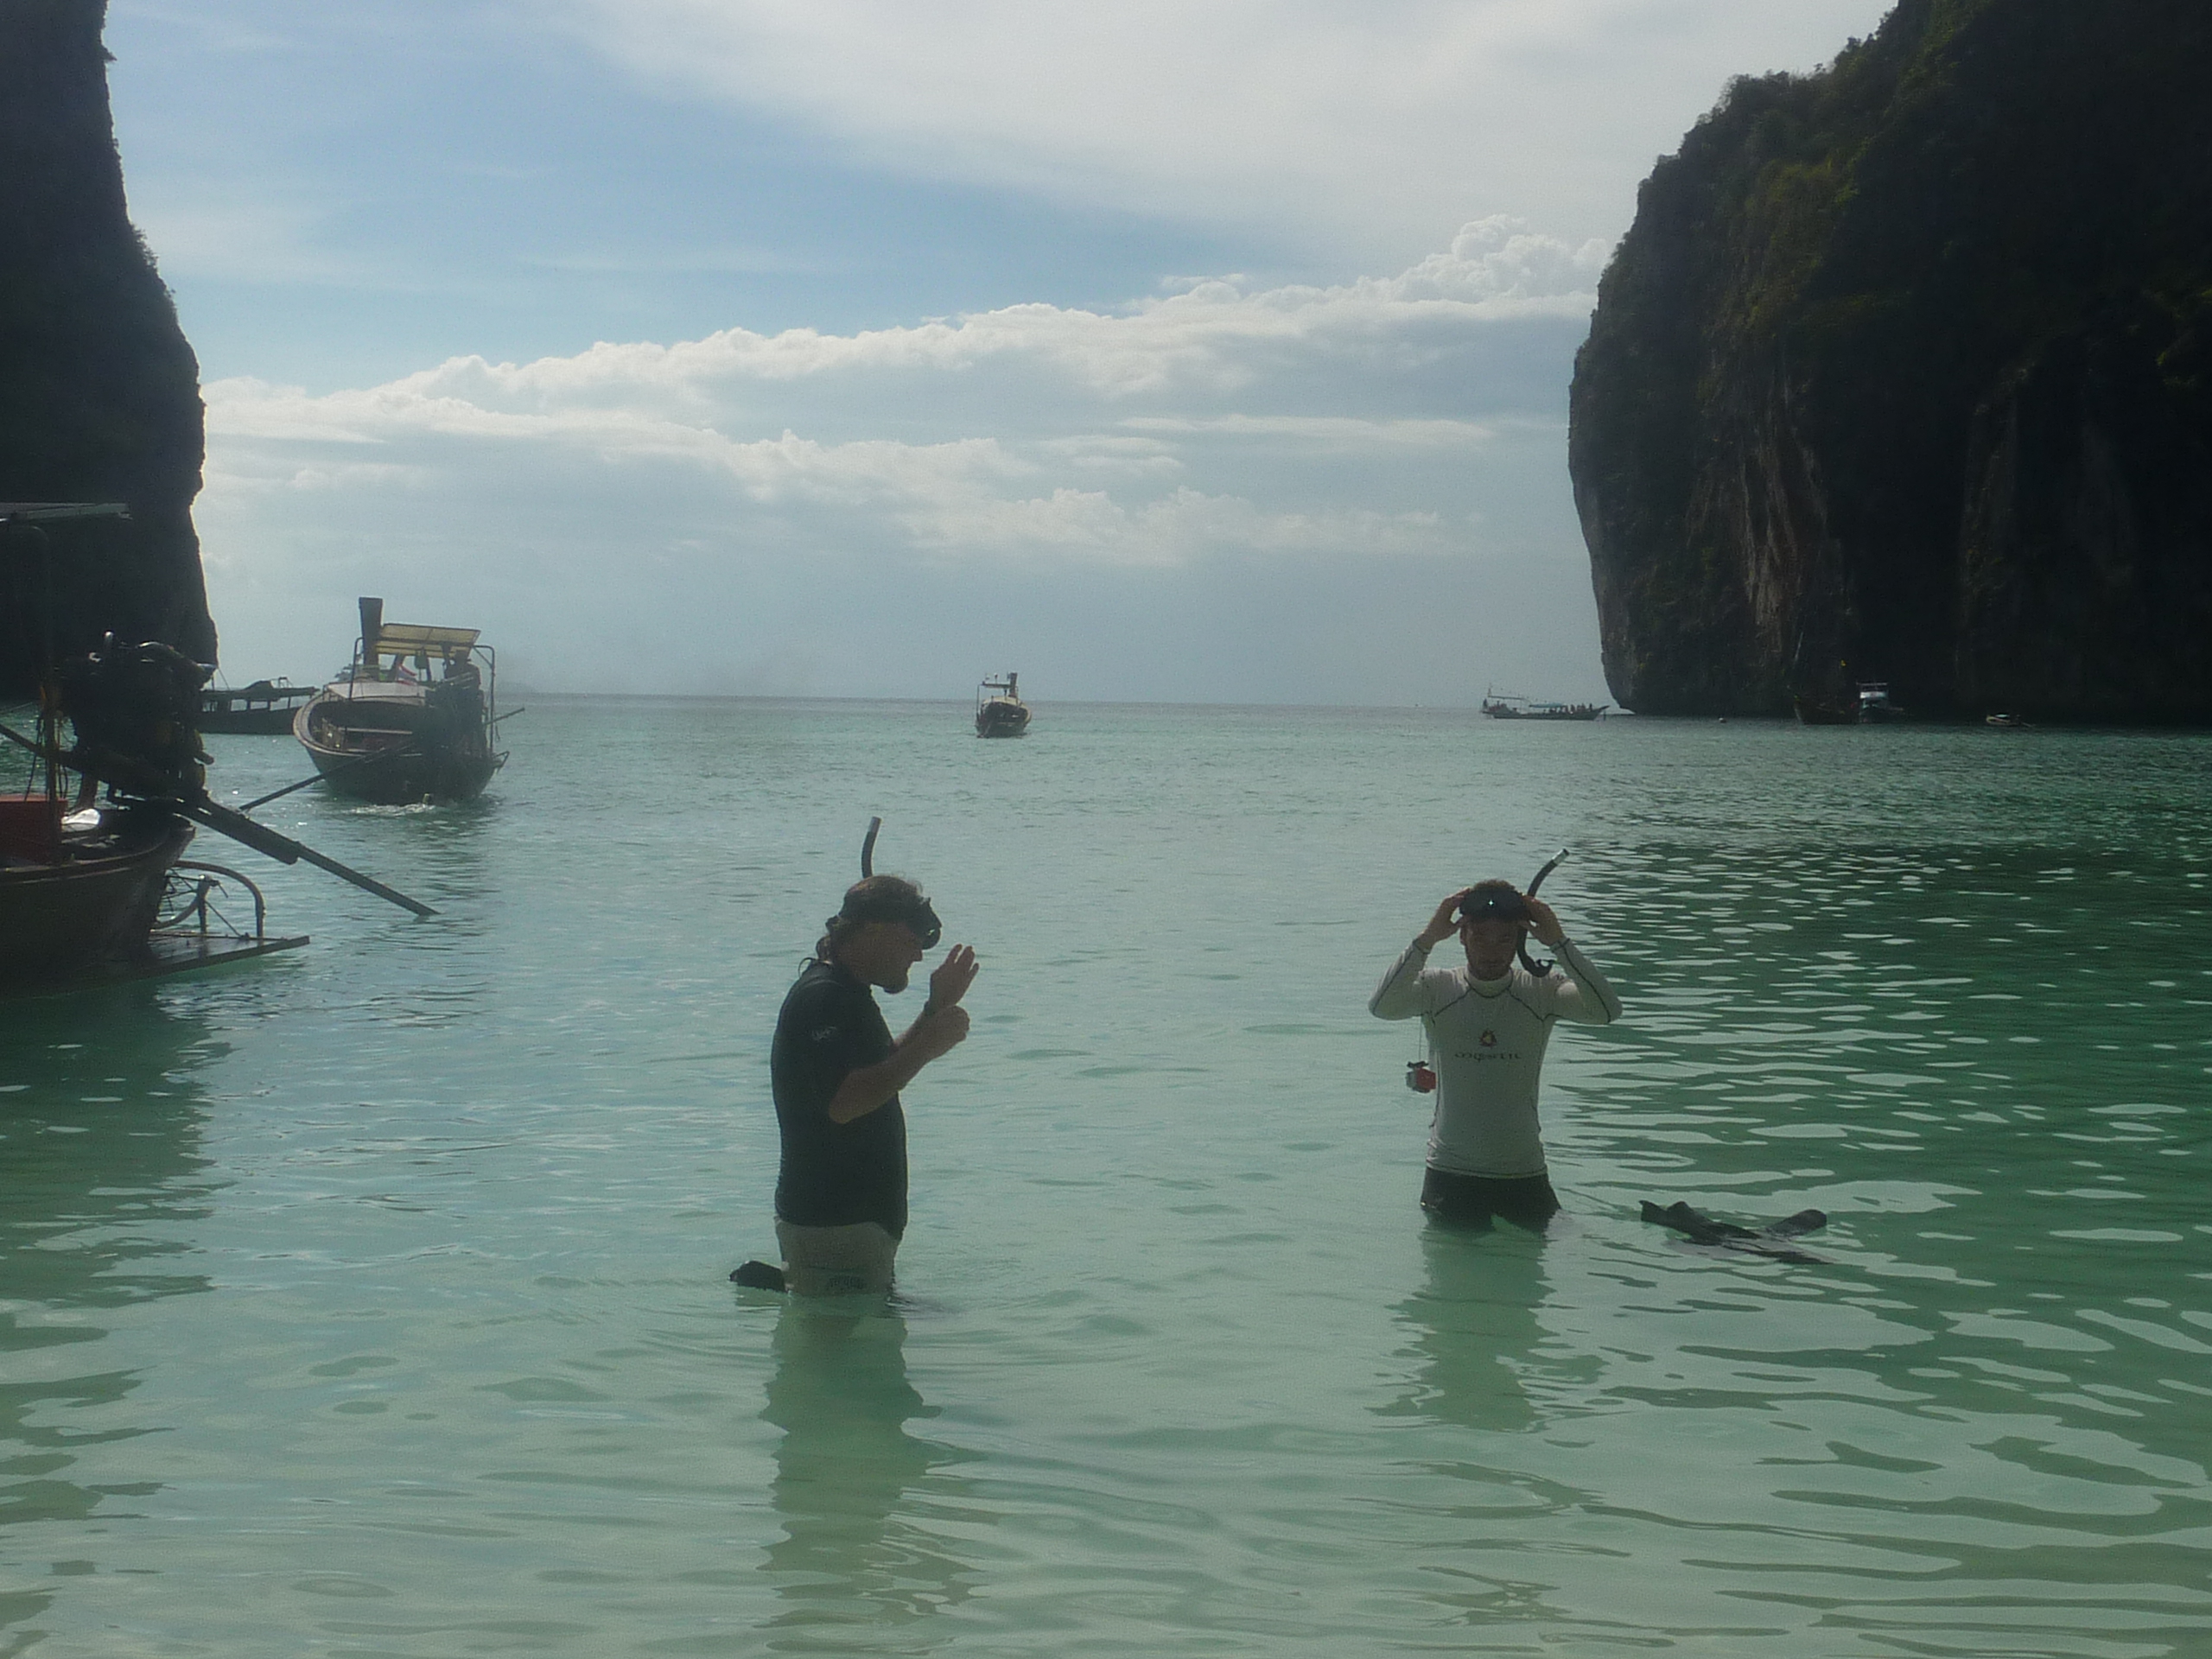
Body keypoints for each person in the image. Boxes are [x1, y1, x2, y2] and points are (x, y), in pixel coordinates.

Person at [733, 875, 978, 1295]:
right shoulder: (823, 998)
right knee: (836, 1340)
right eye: (910, 940)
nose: (919, 954)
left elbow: (879, 1068)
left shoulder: (847, 993)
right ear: (872, 930)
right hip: (834, 1225)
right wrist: (928, 1048)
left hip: (847, 1226)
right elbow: (844, 1103)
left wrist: (935, 1009)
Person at [1368, 880, 1620, 1231]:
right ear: (1462, 936)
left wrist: (1559, 942)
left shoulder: (1542, 991)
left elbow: (1606, 1011)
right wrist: (1427, 939)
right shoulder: (1437, 987)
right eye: (1480, 938)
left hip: (1523, 1172)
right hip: (1450, 1173)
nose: (1492, 950)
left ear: (1519, 941)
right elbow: (1382, 1007)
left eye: (1504, 939)